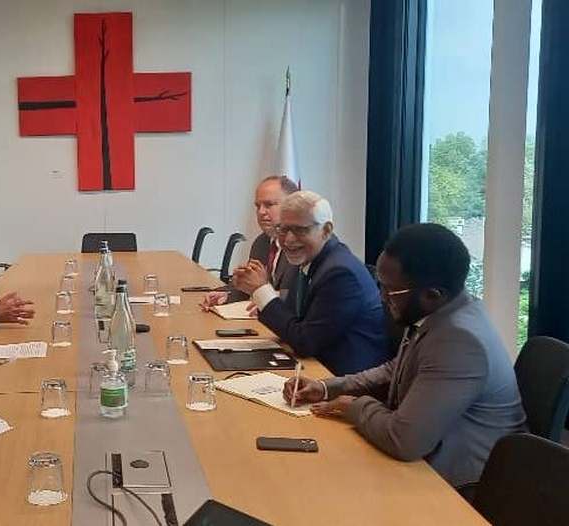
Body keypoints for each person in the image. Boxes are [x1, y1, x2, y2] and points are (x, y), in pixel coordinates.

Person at [285, 224, 527, 487]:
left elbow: (403, 440)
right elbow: (395, 369)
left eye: (390, 290)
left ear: (432, 295)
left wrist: (353, 406)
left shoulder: (459, 341)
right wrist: (327, 388)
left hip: (458, 487)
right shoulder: (443, 312)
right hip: (425, 459)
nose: (382, 297)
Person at [233, 190, 389, 375]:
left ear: (326, 230)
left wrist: (261, 290)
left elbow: (305, 342)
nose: (288, 240)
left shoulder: (340, 273)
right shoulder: (307, 258)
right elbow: (294, 319)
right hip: (312, 367)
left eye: (300, 230)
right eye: (283, 229)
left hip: (341, 378)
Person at [201, 175, 299, 308]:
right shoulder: (262, 242)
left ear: (292, 206)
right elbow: (250, 286)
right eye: (258, 206)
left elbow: (297, 297)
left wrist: (264, 296)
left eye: (269, 205)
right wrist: (227, 295)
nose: (261, 212)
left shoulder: (300, 247)